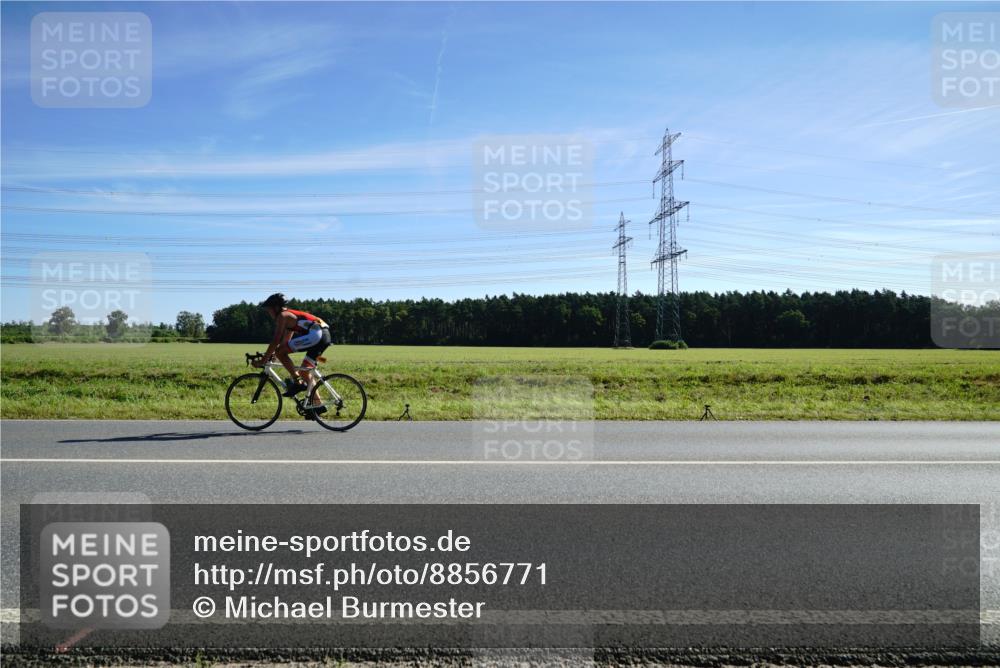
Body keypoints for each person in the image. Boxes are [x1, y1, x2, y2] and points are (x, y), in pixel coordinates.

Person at [257, 293, 331, 415]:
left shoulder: (283, 316)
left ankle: (297, 382)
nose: (268, 313)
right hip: (322, 335)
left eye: (269, 310)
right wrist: (275, 355)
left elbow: (276, 340)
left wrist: (263, 359)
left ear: (276, 308)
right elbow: (285, 341)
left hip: (317, 334)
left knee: (282, 353)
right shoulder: (289, 316)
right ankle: (318, 406)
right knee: (304, 371)